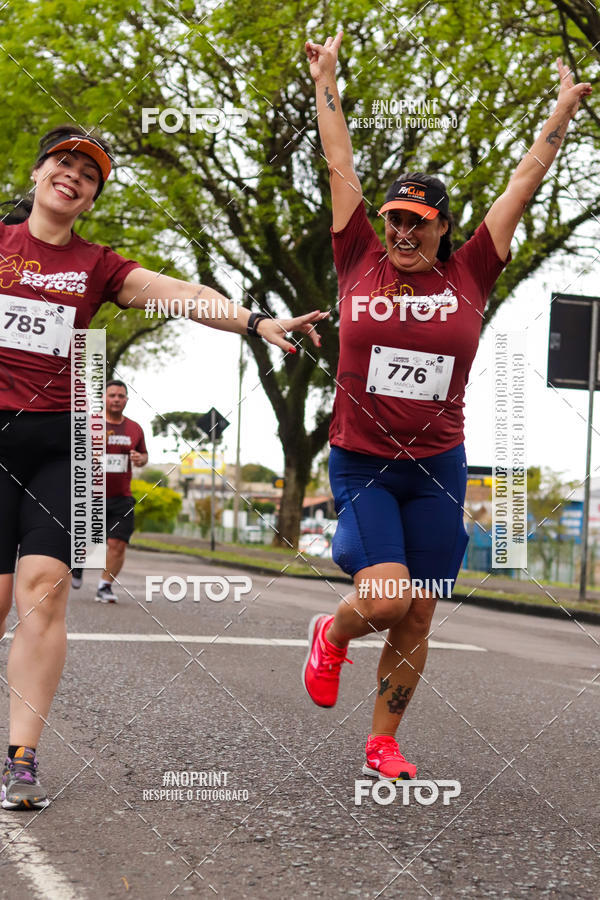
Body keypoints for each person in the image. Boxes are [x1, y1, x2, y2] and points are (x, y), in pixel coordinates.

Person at [0, 124, 327, 809]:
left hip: (63, 443)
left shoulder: (99, 267)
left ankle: (23, 759)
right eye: (63, 163)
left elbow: (182, 293)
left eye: (88, 174)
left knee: (46, 586)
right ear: (36, 174)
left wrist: (256, 321)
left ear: (92, 197)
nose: (74, 176)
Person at [302, 32, 591, 780]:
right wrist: (327, 78)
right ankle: (331, 636)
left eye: (416, 221)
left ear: (442, 228)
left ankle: (382, 741)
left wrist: (561, 111)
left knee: (421, 611)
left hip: (437, 466)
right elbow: (340, 162)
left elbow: (525, 179)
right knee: (389, 598)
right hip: (364, 460)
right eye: (393, 218)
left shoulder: (472, 271)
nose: (399, 230)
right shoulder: (356, 256)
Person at [71, 380, 148, 602]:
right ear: (104, 398)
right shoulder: (89, 424)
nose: (116, 399)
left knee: (118, 543)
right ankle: (78, 564)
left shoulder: (135, 428)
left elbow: (143, 456)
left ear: (126, 400)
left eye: (121, 396)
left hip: (121, 496)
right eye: (112, 395)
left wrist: (139, 459)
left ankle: (105, 586)